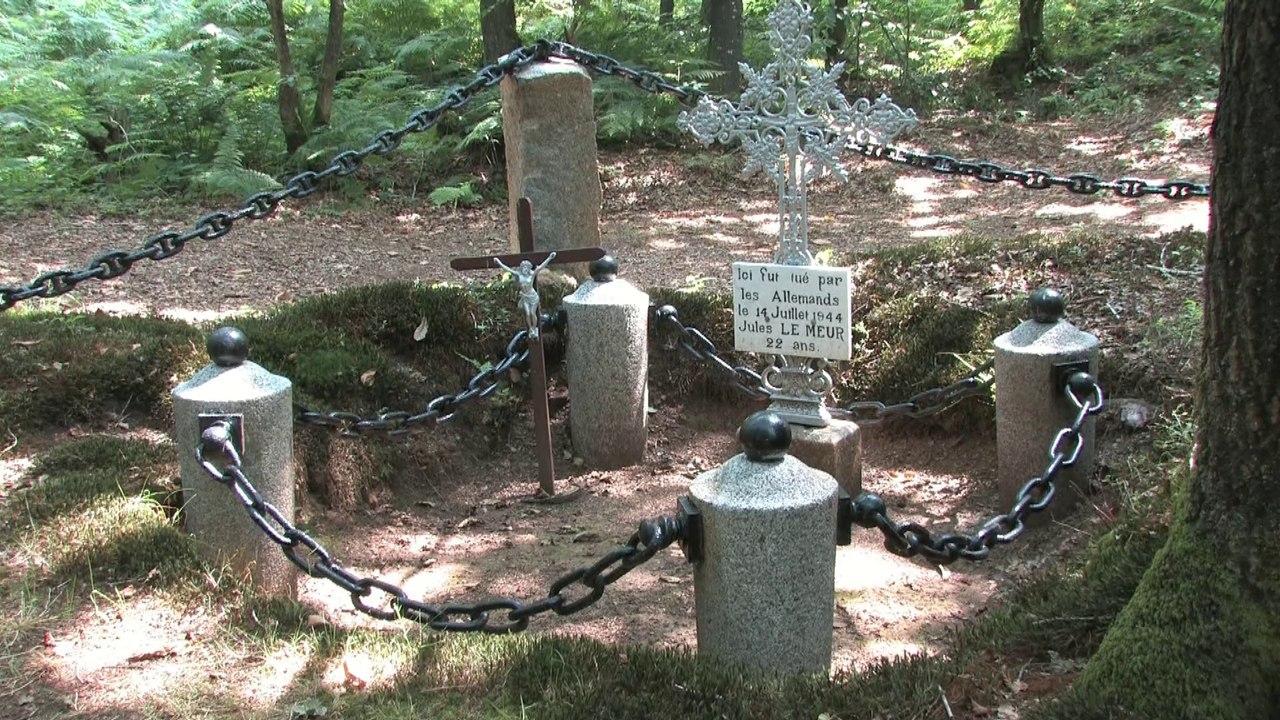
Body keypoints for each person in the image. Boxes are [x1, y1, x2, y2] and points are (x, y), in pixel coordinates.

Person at [494, 252, 557, 338]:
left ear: (529, 268)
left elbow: (541, 267)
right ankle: (531, 329)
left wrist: (550, 258)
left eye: (527, 267)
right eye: (524, 267)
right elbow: (508, 269)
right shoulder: (519, 275)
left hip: (533, 296)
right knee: (527, 313)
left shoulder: (532, 275)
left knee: (532, 312)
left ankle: (534, 329)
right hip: (525, 297)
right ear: (521, 268)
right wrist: (499, 263)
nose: (525, 269)